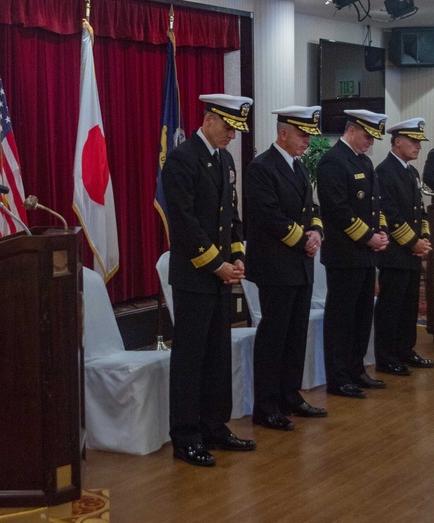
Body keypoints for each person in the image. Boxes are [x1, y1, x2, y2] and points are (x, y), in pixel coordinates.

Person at [162, 93, 257, 467]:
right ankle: (185, 436)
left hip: (220, 275)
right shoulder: (181, 160)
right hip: (194, 277)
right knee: (191, 358)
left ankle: (214, 425)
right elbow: (185, 223)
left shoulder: (225, 160)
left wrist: (237, 255)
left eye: (236, 130)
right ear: (209, 119)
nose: (233, 136)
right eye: (230, 128)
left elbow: (230, 217)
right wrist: (217, 264)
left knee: (218, 354)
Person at [244, 106, 328, 431]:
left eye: (309, 135)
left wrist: (317, 231)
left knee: (296, 335)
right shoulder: (262, 167)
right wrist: (302, 240)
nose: (308, 140)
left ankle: (290, 396)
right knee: (274, 337)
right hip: (276, 266)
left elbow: (313, 206)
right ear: (283, 133)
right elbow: (267, 215)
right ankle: (266, 406)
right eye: (303, 134)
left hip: (300, 266)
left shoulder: (298, 165)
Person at [316, 109, 389, 399]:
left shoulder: (364, 161)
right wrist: (368, 236)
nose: (370, 142)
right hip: (345, 255)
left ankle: (356, 369)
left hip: (365, 254)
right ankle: (338, 376)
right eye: (367, 135)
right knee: (341, 318)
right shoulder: (333, 161)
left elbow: (374, 205)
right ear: (351, 130)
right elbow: (336, 210)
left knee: (361, 315)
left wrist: (380, 232)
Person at [374, 118, 434, 377]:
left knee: (409, 305)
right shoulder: (385, 171)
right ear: (398, 142)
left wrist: (424, 238)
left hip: (411, 252)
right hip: (395, 253)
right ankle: (387, 357)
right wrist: (413, 242)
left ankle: (405, 350)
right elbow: (390, 213)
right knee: (392, 306)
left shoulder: (411, 172)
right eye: (414, 141)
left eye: (420, 142)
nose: (418, 146)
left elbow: (419, 211)